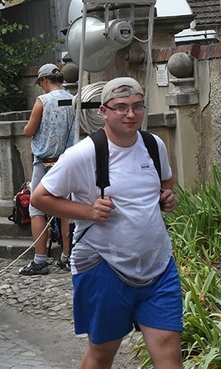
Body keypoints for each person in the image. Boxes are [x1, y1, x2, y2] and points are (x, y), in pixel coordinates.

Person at [30, 77, 182, 369]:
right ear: (104, 111)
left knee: (169, 356)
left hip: (158, 266)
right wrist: (88, 211)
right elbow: (40, 198)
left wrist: (167, 197)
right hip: (104, 266)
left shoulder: (153, 144)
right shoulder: (83, 154)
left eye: (137, 107)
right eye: (121, 107)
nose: (130, 114)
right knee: (102, 354)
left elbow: (165, 181)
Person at [20, 63, 75, 275]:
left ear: (44, 80)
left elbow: (28, 131)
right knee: (66, 210)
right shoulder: (73, 99)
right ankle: (67, 256)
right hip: (67, 161)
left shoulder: (42, 101)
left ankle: (40, 259)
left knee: (36, 207)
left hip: (44, 162)